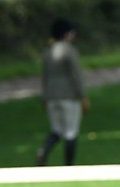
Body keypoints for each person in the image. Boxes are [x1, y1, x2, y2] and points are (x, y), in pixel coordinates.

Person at [38, 19, 90, 167]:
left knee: (56, 130)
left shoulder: (48, 51)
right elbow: (75, 75)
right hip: (69, 96)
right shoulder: (69, 50)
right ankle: (69, 164)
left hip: (51, 96)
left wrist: (45, 96)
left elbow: (45, 76)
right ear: (67, 34)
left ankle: (43, 152)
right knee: (71, 131)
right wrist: (83, 96)